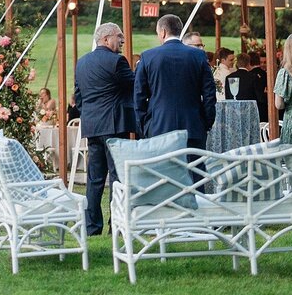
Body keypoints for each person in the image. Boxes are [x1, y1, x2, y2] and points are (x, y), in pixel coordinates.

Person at [72, 22, 136, 237]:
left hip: (92, 127)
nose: (122, 41)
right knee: (118, 178)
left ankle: (92, 228)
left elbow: (78, 98)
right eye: (119, 37)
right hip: (115, 126)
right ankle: (116, 225)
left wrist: (89, 114)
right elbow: (135, 85)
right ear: (106, 38)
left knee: (95, 179)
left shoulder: (81, 63)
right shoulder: (117, 61)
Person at [133, 14, 217, 146]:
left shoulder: (148, 57)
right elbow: (209, 93)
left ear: (163, 32)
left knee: (161, 167)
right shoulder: (198, 55)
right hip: (193, 126)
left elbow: (139, 96)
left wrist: (144, 126)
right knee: (193, 166)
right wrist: (206, 122)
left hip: (158, 127)